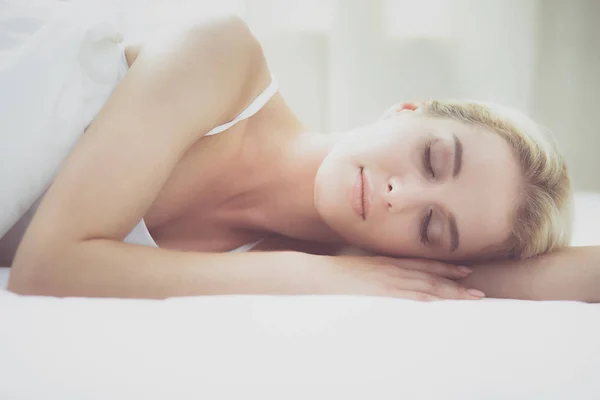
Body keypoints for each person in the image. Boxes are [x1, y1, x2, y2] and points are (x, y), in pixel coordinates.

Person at [3, 15, 598, 302]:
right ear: (407, 110)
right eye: (433, 160)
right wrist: (312, 275)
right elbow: (46, 268)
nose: (403, 195)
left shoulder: (347, 255)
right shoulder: (221, 55)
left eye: (432, 227)